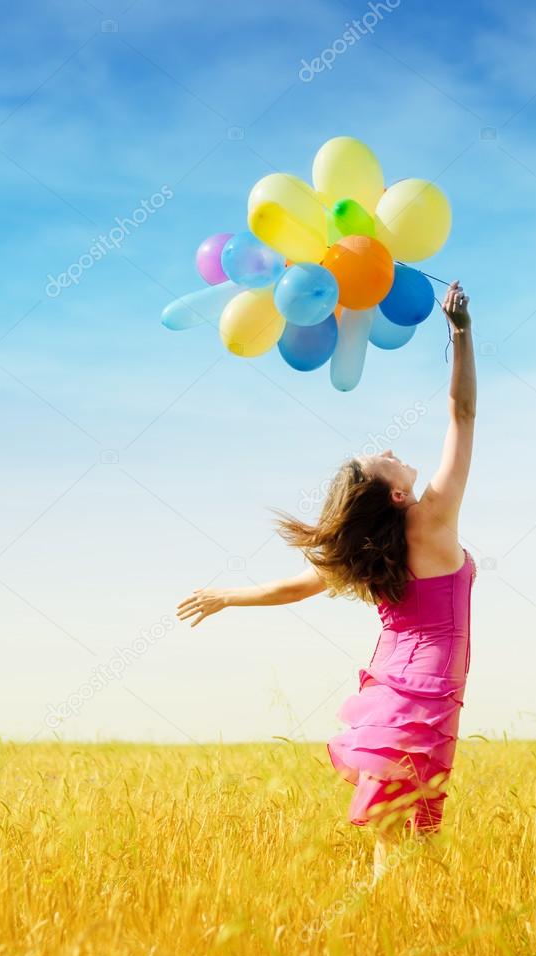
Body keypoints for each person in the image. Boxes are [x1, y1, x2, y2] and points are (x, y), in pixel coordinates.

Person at [177, 280, 477, 884]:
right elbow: (462, 413)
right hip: (427, 683)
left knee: (405, 823)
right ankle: (390, 922)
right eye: (383, 458)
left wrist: (227, 597)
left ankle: (398, 921)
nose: (391, 447)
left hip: (395, 678)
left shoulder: (375, 548)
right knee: (410, 825)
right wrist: (463, 335)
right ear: (396, 493)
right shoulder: (433, 517)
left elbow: (291, 588)